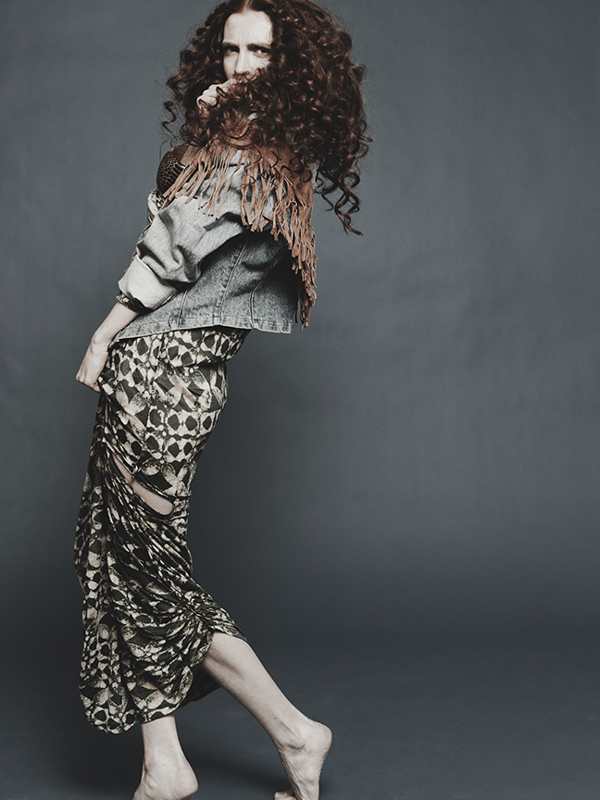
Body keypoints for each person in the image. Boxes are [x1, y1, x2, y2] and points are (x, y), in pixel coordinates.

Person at [74, 1, 368, 798]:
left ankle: (294, 732)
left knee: (149, 572)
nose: (239, 66)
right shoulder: (258, 147)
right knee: (124, 560)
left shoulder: (249, 151)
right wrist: (206, 134)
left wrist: (102, 334)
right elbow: (184, 224)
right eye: (231, 49)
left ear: (290, 63)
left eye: (259, 52)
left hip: (160, 380)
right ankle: (164, 763)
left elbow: (170, 250)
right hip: (168, 374)